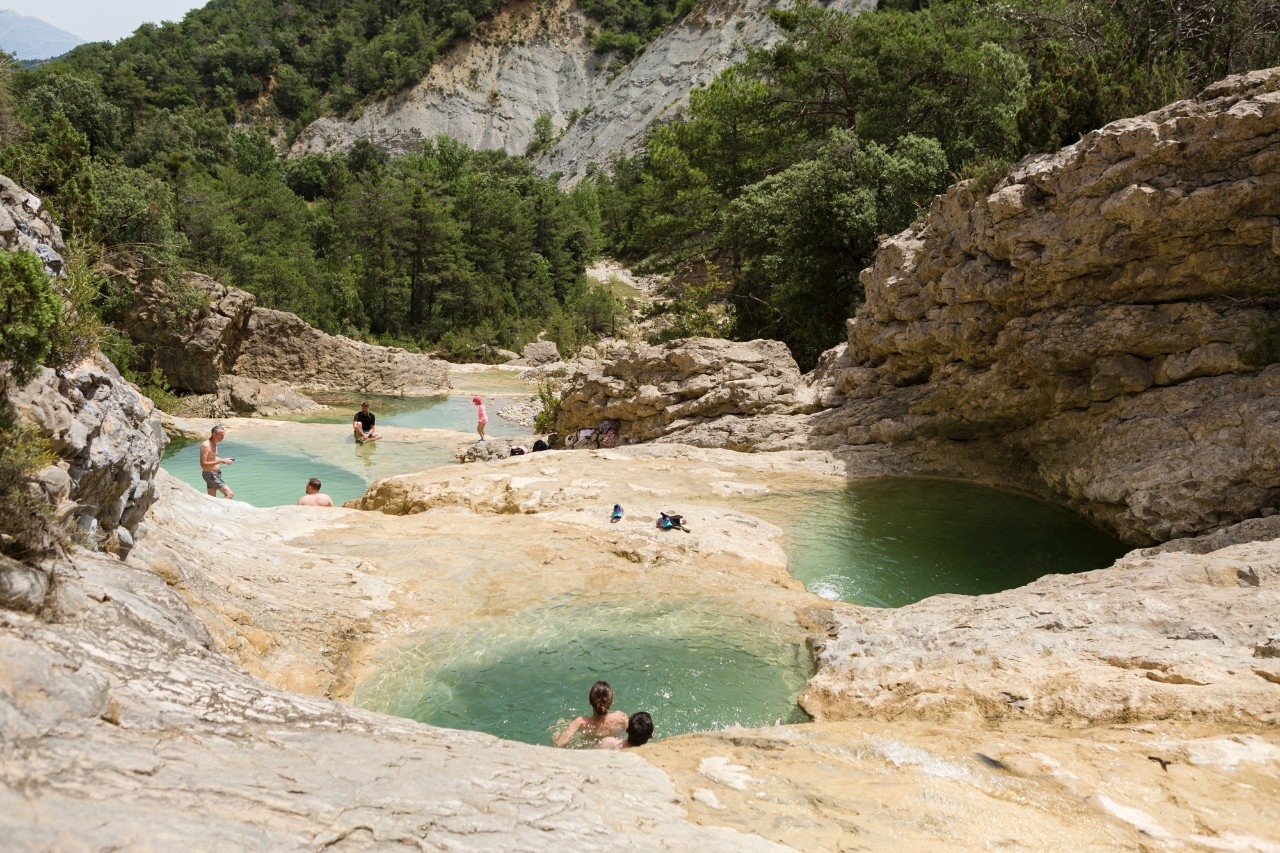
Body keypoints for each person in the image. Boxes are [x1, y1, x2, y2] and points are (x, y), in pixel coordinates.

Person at [553, 680, 628, 747]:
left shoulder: (580, 722)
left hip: (592, 748)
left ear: (590, 701)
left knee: (558, 731)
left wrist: (555, 738)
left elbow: (559, 744)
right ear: (611, 702)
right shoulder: (620, 718)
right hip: (612, 747)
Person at [198, 425, 234, 499]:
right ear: (214, 434)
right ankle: (222, 510)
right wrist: (221, 461)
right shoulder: (206, 445)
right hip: (210, 475)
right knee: (229, 494)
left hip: (214, 474)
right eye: (221, 435)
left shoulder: (214, 444)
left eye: (223, 435)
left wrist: (224, 460)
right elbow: (203, 464)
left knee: (212, 498)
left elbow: (212, 458)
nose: (223, 438)